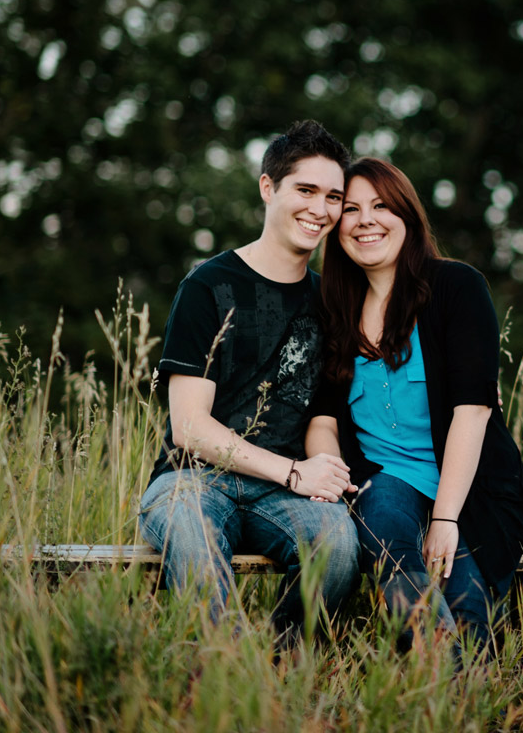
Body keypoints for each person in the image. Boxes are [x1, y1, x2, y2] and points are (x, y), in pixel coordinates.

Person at [138, 120, 360, 642]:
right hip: (190, 480)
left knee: (339, 545)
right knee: (190, 532)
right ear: (268, 187)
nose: (320, 209)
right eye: (305, 190)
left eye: (333, 196)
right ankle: (225, 668)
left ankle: (277, 662)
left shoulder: (331, 301)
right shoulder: (208, 285)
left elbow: (321, 415)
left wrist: (323, 474)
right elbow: (190, 428)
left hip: (282, 493)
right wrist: (292, 473)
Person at [308, 157, 523, 660]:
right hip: (387, 481)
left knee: (469, 613)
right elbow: (323, 416)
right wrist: (333, 474)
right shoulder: (334, 308)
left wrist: (446, 520)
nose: (366, 219)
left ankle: (457, 690)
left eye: (381, 206)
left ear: (407, 216)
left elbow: (473, 410)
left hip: (470, 492)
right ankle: (438, 667)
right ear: (336, 225)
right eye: (351, 209)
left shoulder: (457, 286)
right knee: (384, 514)